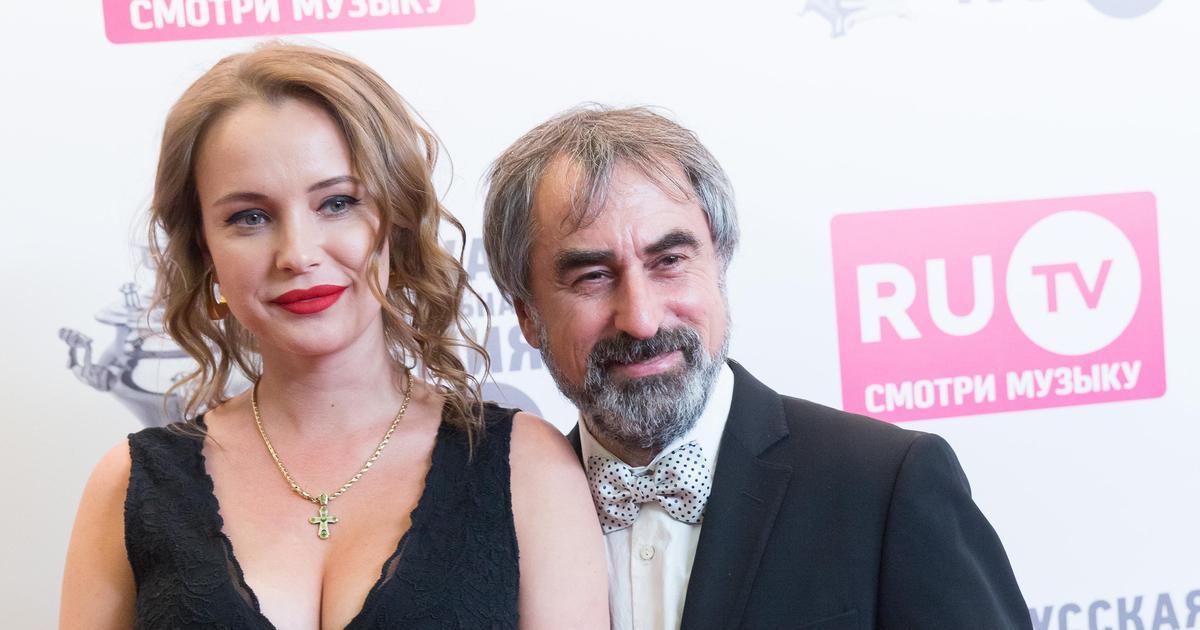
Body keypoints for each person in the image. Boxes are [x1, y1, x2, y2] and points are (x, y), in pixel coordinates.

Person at [60, 44, 607, 629]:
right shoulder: (129, 485)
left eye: (337, 203)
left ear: (395, 221)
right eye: (249, 217)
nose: (297, 253)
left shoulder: (527, 467)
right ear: (204, 249)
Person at [482, 105, 1032, 629]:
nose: (642, 320)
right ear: (528, 316)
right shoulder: (496, 522)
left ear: (719, 263)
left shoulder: (887, 484)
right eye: (594, 277)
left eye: (669, 261)